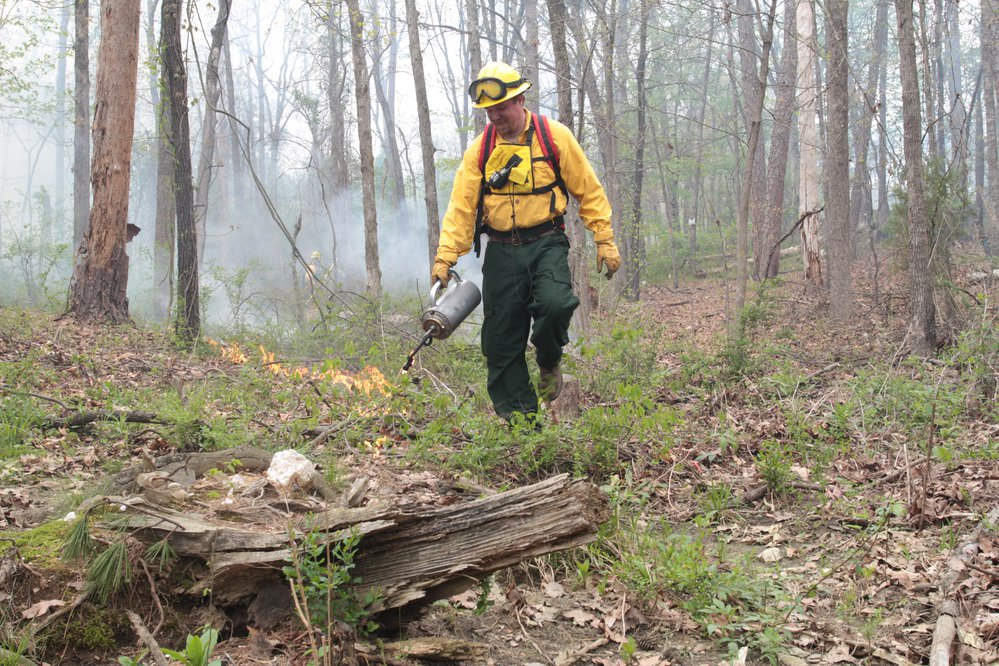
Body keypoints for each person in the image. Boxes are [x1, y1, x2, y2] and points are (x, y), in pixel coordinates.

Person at [431, 61, 621, 423]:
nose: (496, 117)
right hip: (501, 250)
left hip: (546, 241)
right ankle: (522, 427)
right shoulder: (480, 150)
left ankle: (549, 360)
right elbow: (461, 208)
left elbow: (589, 191)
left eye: (501, 108)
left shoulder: (554, 137)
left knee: (554, 304)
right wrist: (445, 258)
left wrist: (604, 239)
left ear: (520, 99)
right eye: (489, 111)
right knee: (501, 341)